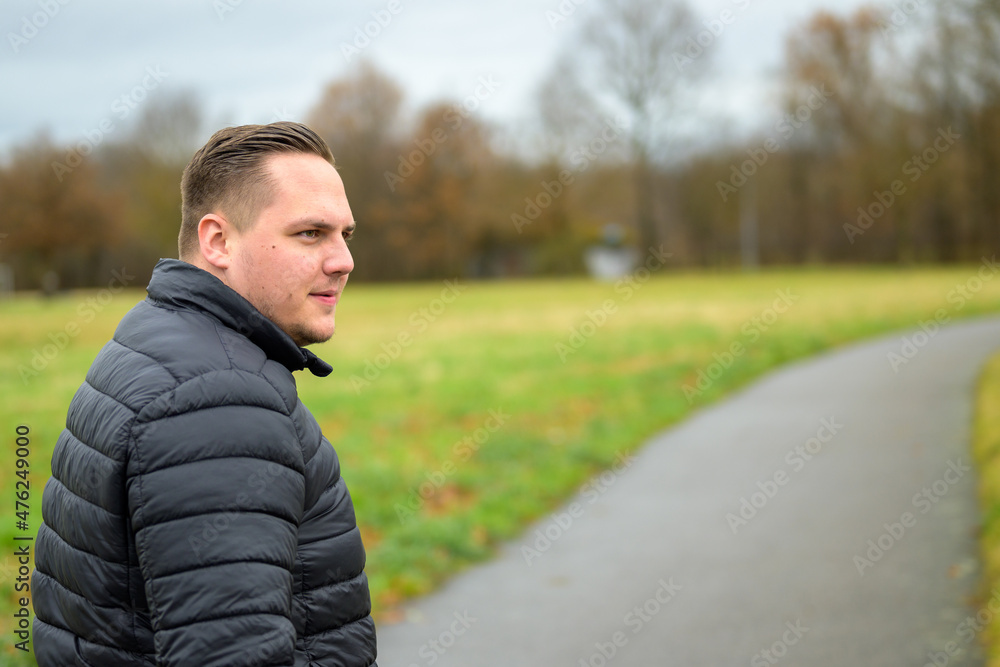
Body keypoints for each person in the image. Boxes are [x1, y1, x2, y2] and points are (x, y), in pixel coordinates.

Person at [32, 122, 378, 666]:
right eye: (310, 234)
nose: (343, 261)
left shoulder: (157, 334)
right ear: (218, 241)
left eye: (345, 235)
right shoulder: (219, 399)